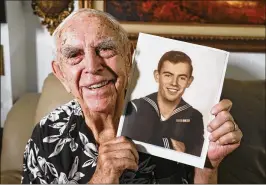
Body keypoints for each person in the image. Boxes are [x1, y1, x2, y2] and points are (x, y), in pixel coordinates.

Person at [21, 9, 243, 184]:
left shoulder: (172, 117)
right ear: (60, 74)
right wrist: (102, 179)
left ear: (128, 58)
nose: (92, 66)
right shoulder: (47, 135)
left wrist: (208, 166)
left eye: (105, 49)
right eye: (74, 55)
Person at [121, 50, 204, 157]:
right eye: (168, 75)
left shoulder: (194, 116)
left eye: (182, 78)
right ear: (157, 76)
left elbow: (196, 156)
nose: (174, 83)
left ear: (189, 81)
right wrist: (169, 144)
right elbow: (128, 142)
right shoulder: (135, 107)